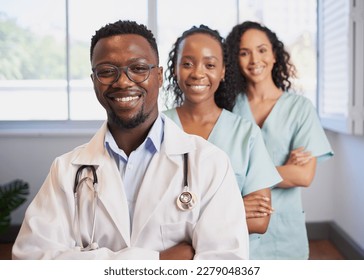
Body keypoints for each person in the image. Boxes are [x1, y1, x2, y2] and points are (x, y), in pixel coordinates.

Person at [12, 20, 249, 260]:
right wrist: (159, 260)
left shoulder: (210, 164)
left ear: (159, 76)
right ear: (94, 80)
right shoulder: (66, 170)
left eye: (138, 68)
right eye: (106, 71)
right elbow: (30, 261)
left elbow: (226, 265)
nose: (123, 82)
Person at [225, 21, 334, 259]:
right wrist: (285, 170)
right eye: (244, 53)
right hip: (240, 227)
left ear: (275, 55)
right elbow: (219, 173)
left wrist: (245, 176)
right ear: (235, 59)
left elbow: (304, 175)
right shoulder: (229, 109)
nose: (254, 60)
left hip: (286, 231)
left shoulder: (300, 108)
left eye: (262, 50)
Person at [163, 25, 282, 237]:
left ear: (223, 71)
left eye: (210, 64)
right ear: (175, 69)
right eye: (187, 64)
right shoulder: (156, 128)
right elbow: (142, 213)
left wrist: (180, 221)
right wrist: (232, 208)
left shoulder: (246, 133)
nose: (198, 73)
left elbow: (260, 221)